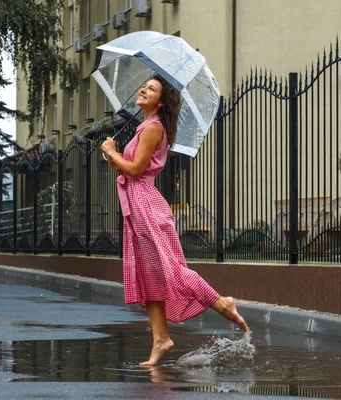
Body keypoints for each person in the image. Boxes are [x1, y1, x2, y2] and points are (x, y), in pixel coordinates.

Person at [100, 75, 249, 366]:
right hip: (137, 201)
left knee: (170, 269)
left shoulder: (153, 128)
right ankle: (161, 340)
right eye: (143, 85)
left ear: (162, 101)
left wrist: (112, 152)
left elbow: (135, 170)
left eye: (151, 89)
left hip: (144, 203)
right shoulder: (145, 127)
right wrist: (112, 155)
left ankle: (220, 301)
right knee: (150, 274)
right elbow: (128, 167)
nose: (143, 89)